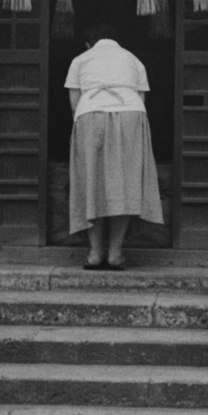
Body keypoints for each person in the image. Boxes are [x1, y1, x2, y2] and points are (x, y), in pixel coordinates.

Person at [65, 21, 163, 269]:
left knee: (92, 183)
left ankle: (95, 253)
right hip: (130, 115)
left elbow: (75, 104)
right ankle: (115, 253)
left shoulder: (80, 59)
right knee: (124, 184)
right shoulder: (133, 60)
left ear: (90, 43)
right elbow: (141, 100)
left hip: (91, 115)